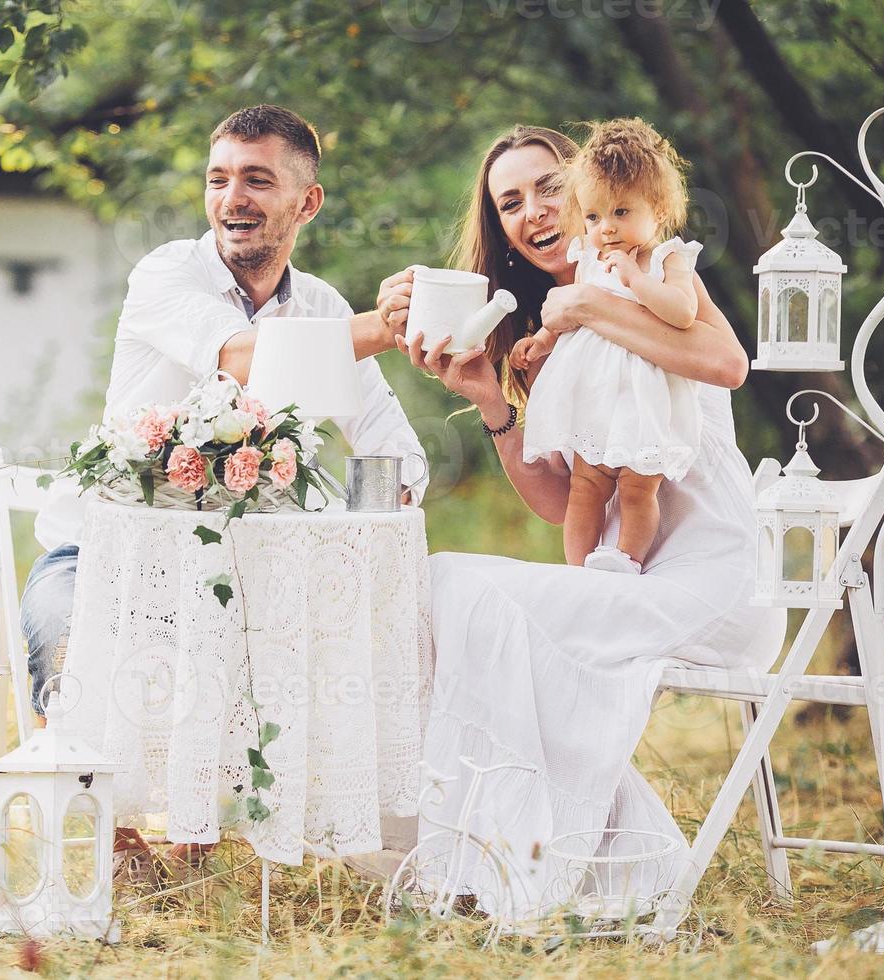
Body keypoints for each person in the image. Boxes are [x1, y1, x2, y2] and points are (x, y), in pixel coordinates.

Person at [378, 124, 783, 919]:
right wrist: (493, 401)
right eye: (510, 203)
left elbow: (727, 365)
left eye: (548, 187)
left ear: (596, 189)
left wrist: (590, 303)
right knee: (438, 584)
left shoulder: (653, 279)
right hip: (624, 579)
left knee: (471, 593)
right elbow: (564, 504)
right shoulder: (553, 342)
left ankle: (537, 860)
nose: (533, 211)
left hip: (716, 582)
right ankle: (517, 855)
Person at [20, 104, 428, 876]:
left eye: (257, 181)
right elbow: (241, 355)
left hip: (245, 573)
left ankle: (209, 837)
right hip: (100, 553)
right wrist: (385, 325)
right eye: (219, 180)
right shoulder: (166, 273)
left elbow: (393, 445)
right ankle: (117, 842)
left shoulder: (322, 310)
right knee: (62, 645)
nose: (232, 199)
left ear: (306, 202)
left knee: (291, 632)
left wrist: (380, 510)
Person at [511, 118, 704, 576]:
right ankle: (580, 570)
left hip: (644, 400)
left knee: (639, 489)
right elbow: (568, 316)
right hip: (596, 398)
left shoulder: (665, 258)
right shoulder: (588, 258)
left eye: (621, 213)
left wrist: (636, 279)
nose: (606, 229)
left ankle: (624, 560)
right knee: (585, 485)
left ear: (656, 211)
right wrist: (539, 342)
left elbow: (681, 313)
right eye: (594, 216)